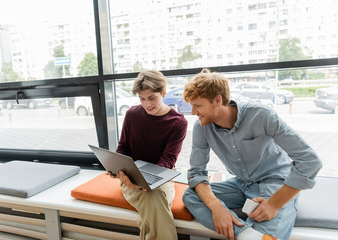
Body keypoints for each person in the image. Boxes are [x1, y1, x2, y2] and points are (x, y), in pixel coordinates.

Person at [182, 69, 322, 240]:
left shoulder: (261, 115)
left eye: (198, 105)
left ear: (217, 100)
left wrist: (274, 204)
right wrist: (217, 207)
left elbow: (310, 161)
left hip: (275, 184)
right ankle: (245, 233)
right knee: (190, 195)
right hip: (242, 184)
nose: (193, 112)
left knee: (263, 236)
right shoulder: (201, 127)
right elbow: (197, 173)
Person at [109, 70, 188, 240]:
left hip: (162, 176)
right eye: (142, 99)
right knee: (154, 199)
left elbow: (167, 161)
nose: (147, 104)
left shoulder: (178, 122)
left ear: (163, 93)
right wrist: (120, 171)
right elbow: (123, 148)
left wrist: (149, 180)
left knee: (154, 194)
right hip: (131, 177)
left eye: (152, 98)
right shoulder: (132, 114)